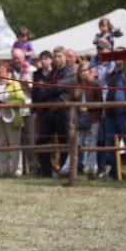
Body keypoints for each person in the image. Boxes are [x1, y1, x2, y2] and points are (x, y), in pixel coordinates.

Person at [33, 46, 75, 178]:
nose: (57, 59)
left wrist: (49, 88)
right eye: (55, 57)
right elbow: (42, 92)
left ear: (64, 57)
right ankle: (47, 171)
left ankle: (66, 170)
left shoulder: (69, 72)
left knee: (64, 142)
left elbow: (57, 87)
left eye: (59, 56)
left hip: (63, 111)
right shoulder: (52, 73)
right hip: (50, 112)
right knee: (42, 141)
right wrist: (50, 88)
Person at [100, 49, 126, 180]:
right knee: (111, 146)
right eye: (116, 55)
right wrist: (104, 111)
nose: (118, 58)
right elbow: (107, 94)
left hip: (124, 114)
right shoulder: (111, 74)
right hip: (110, 114)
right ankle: (114, 174)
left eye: (121, 55)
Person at [68, 60, 103, 179]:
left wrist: (89, 107)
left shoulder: (95, 84)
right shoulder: (74, 86)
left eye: (85, 70)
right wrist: (78, 108)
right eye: (80, 70)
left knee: (92, 145)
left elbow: (100, 103)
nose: (82, 73)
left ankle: (92, 170)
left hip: (93, 118)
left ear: (90, 71)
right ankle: (69, 169)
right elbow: (70, 101)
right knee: (76, 143)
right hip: (79, 119)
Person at [10, 48, 37, 175]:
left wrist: (29, 84)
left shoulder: (31, 71)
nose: (16, 61)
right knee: (18, 142)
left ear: (24, 58)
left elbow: (37, 93)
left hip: (28, 110)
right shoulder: (9, 72)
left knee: (31, 141)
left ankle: (33, 168)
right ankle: (21, 169)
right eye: (14, 58)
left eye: (19, 58)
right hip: (14, 111)